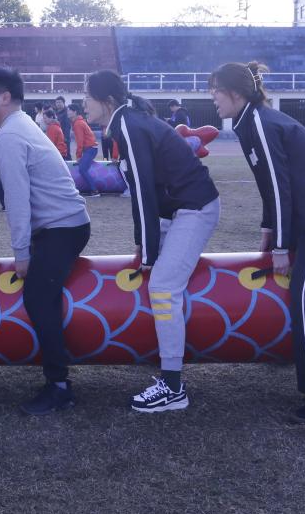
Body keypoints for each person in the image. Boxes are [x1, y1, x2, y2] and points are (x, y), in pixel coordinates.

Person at [211, 61, 305, 422]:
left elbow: (278, 186)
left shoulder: (259, 121)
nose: (213, 99)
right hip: (304, 219)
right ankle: (291, 353)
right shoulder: (249, 122)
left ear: (235, 94)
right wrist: (267, 230)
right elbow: (269, 185)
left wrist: (280, 247)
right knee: (292, 290)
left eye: (216, 91)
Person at [84, 70, 219, 412]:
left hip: (194, 208)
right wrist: (145, 241)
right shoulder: (127, 121)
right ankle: (160, 358)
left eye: (87, 97)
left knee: (162, 286)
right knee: (157, 279)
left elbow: (143, 192)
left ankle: (173, 388)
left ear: (106, 100)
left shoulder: (129, 124)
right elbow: (146, 188)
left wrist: (147, 247)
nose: (83, 104)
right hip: (178, 209)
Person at [0, 67, 91, 414]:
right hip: (62, 225)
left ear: (4, 97)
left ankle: (60, 386)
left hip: (62, 228)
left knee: (39, 297)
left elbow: (17, 200)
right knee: (42, 293)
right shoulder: (20, 125)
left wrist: (21, 253)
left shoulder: (10, 136)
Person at [68, 104, 99, 197]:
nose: (67, 112)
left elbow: (80, 141)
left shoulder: (78, 123)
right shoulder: (78, 122)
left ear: (75, 112)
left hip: (91, 149)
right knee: (83, 169)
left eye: (69, 110)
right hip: (90, 149)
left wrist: (78, 156)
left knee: (82, 169)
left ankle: (95, 191)